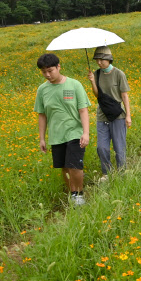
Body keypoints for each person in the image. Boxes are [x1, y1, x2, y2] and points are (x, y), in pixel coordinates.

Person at [34, 53, 91, 206]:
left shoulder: (74, 85)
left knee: (75, 166)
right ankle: (72, 193)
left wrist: (86, 132)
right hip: (56, 135)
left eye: (50, 70)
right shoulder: (42, 90)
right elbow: (42, 115)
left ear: (59, 67)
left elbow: (83, 110)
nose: (47, 75)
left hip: (74, 132)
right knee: (64, 167)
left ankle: (79, 194)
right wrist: (42, 138)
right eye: (43, 72)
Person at [87, 46, 131, 180]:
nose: (99, 62)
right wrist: (93, 82)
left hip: (117, 115)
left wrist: (128, 115)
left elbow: (124, 96)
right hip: (102, 115)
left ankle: (122, 172)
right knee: (102, 147)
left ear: (109, 59)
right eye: (97, 60)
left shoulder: (119, 74)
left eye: (102, 60)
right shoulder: (96, 74)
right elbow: (97, 95)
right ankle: (106, 173)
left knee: (119, 147)